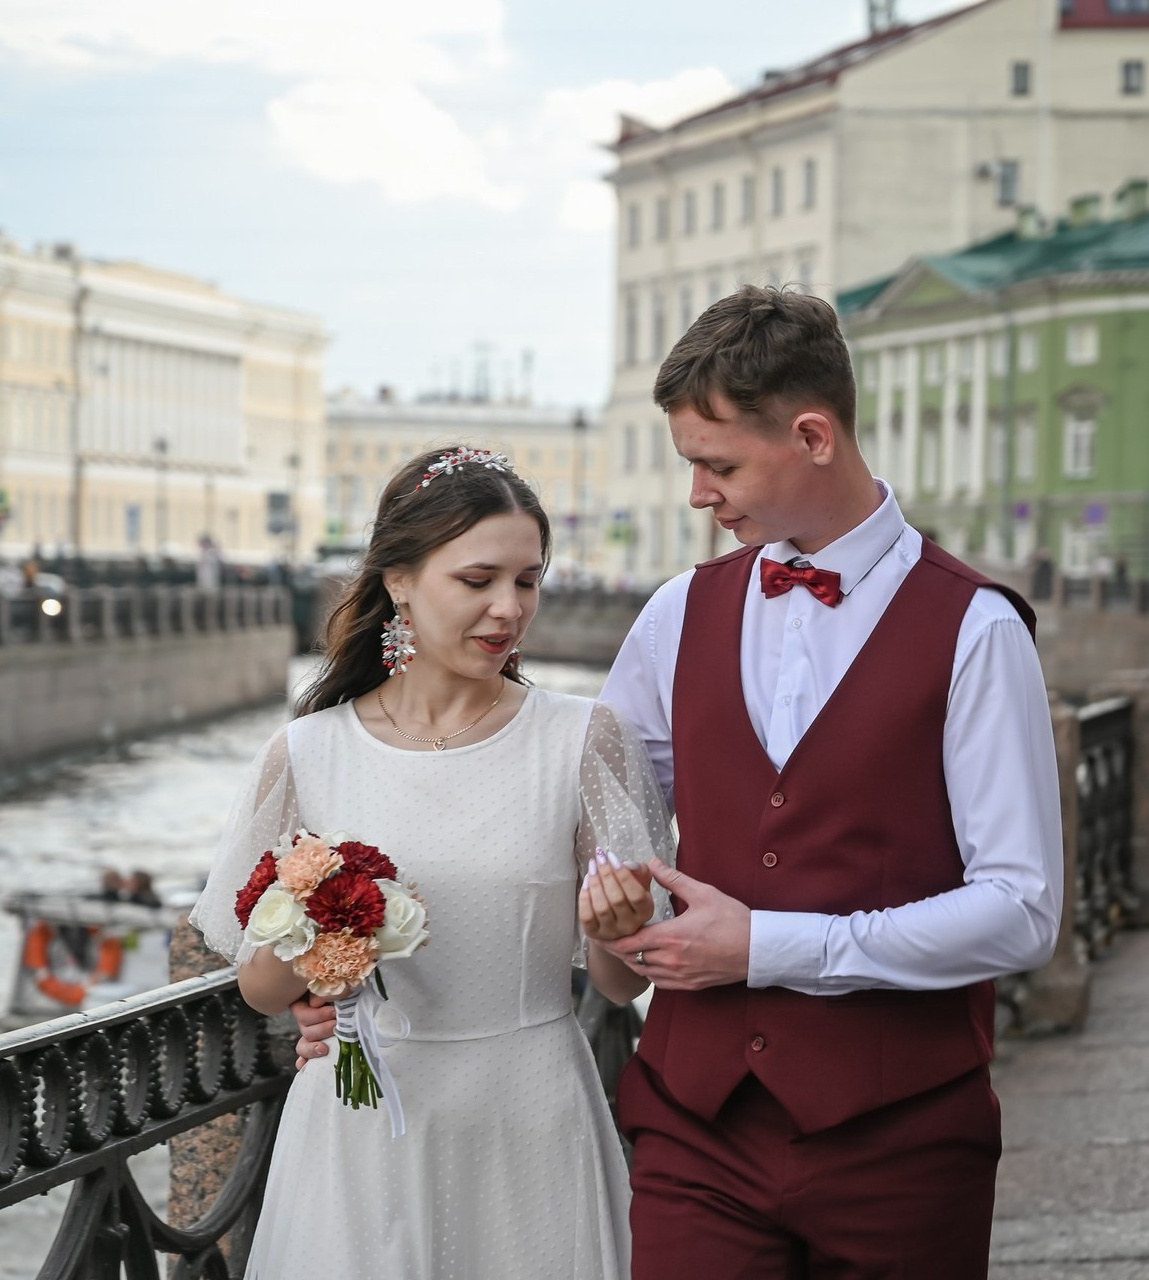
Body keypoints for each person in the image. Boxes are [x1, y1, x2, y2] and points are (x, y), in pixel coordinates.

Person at [595, 286, 1063, 1279]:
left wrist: (767, 946)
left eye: (718, 465)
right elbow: (608, 823)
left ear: (812, 436)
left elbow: (1021, 911)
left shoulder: (977, 629)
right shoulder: (674, 613)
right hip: (694, 1128)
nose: (698, 495)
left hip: (901, 1144)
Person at [189, 444, 674, 1280]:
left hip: (528, 1113)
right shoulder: (307, 752)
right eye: (478, 580)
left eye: (527, 581)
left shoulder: (582, 739)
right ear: (400, 580)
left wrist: (619, 929)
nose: (508, 609)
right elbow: (262, 989)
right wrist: (315, 940)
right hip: (357, 1122)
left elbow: (621, 983)